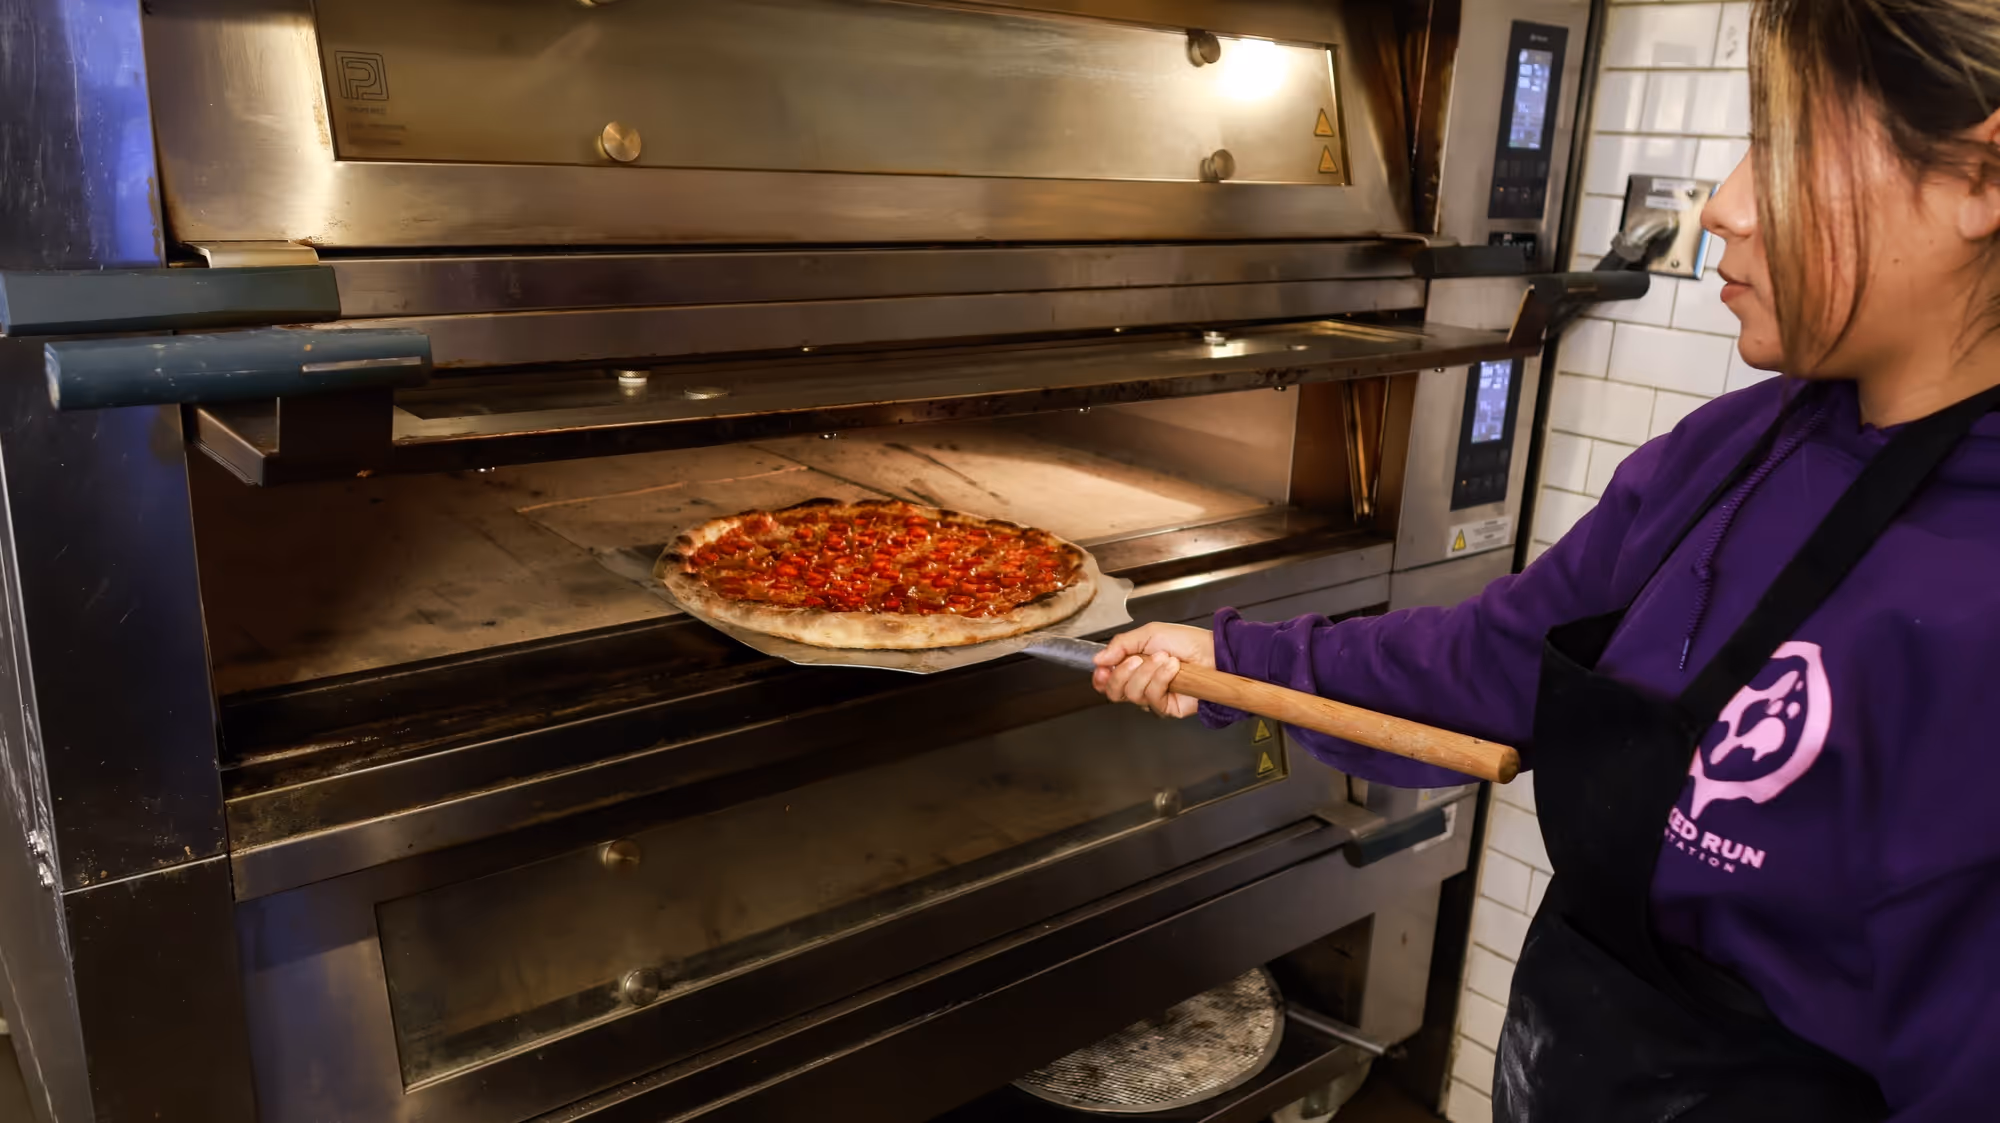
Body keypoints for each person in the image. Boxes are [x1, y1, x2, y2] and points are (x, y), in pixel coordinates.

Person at [1090, 2, 2000, 1120]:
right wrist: (1229, 656)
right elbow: (1496, 661)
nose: (1720, 208)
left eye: (1782, 146)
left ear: (1981, 178)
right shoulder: (1735, 448)